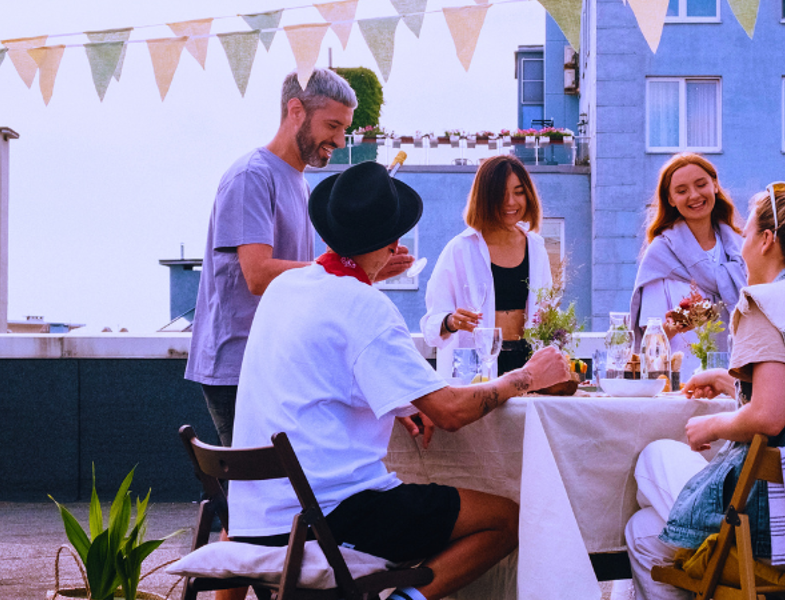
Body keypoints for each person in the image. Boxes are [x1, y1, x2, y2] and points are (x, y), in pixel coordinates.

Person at [229, 161, 572, 600]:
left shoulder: (287, 287)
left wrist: (401, 404)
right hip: (331, 517)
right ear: (393, 245)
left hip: (257, 520)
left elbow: (320, 378)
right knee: (507, 517)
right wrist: (524, 377)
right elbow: (449, 412)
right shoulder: (363, 304)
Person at [624, 181, 785, 600]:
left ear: (767, 240)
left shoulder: (764, 303)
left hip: (773, 524)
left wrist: (713, 425)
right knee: (645, 530)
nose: (740, 250)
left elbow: (768, 416)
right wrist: (729, 384)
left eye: (745, 238)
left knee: (651, 463)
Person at [185, 68, 412, 447]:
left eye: (345, 129)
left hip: (279, 362)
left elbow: (310, 285)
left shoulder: (300, 184)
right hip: (239, 367)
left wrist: (365, 271)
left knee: (280, 492)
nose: (340, 140)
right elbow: (257, 275)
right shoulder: (251, 176)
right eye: (333, 125)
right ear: (296, 110)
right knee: (258, 493)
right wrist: (345, 269)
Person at [421, 155, 553, 375]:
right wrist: (451, 321)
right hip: (477, 364)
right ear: (485, 198)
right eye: (501, 195)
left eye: (519, 192)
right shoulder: (460, 249)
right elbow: (431, 326)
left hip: (528, 362)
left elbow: (547, 312)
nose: (511, 202)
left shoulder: (536, 247)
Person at [630, 153, 747, 383]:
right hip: (682, 384)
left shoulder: (739, 249)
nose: (694, 195)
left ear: (714, 185)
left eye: (701, 184)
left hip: (732, 382)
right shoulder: (660, 254)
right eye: (681, 191)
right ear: (671, 199)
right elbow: (650, 338)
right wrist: (679, 323)